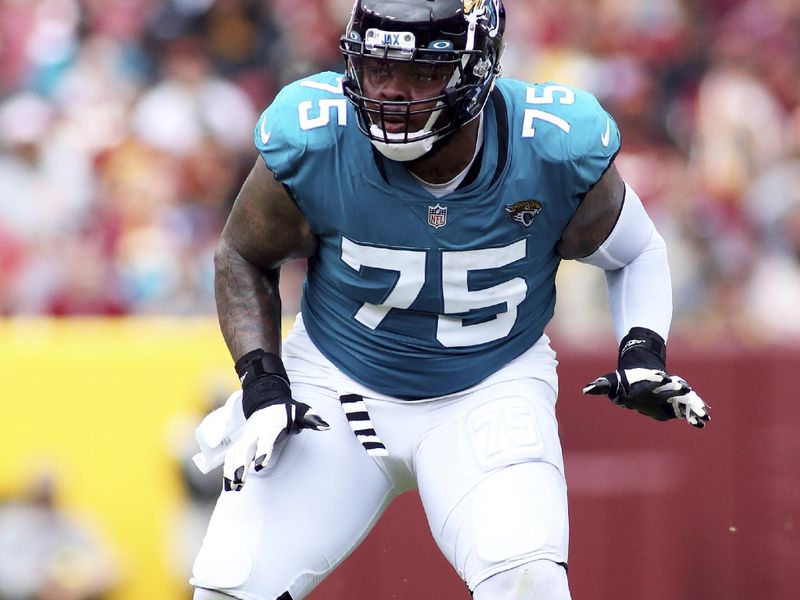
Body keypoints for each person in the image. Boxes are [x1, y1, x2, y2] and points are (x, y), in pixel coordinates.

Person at [190, 1, 710, 599]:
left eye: (422, 73)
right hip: (334, 384)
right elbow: (242, 253)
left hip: (488, 384)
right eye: (379, 68)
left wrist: (643, 351)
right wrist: (261, 383)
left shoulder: (551, 147)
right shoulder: (315, 135)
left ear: (476, 69)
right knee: (229, 589)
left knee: (528, 582)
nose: (393, 93)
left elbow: (636, 251)